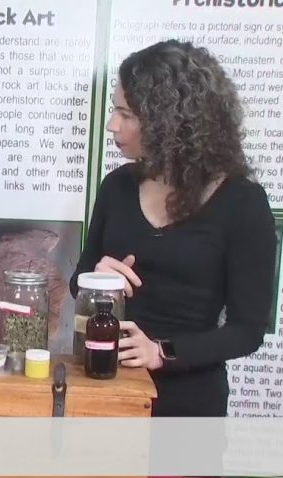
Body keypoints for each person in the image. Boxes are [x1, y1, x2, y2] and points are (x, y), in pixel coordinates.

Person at [70, 40, 276, 417]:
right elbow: (77, 282)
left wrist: (161, 352)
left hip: (189, 404)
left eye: (126, 114)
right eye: (115, 110)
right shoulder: (117, 187)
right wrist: (95, 281)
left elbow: (247, 331)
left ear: (168, 122)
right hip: (107, 389)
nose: (112, 125)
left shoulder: (242, 203)